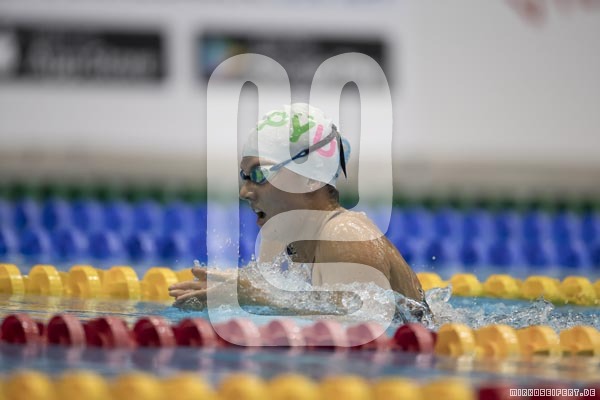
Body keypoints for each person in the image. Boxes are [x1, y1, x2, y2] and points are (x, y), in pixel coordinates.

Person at [168, 103, 426, 315]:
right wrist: (229, 290)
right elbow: (287, 300)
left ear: (311, 178)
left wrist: (256, 297)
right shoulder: (279, 238)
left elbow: (361, 330)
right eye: (244, 176)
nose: (244, 192)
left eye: (259, 174)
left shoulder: (346, 236)